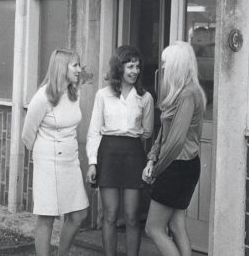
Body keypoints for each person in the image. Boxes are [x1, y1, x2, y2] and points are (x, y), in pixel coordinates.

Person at [85, 45, 154, 256]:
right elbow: (94, 131)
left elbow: (147, 132)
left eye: (137, 66)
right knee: (110, 215)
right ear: (119, 67)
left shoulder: (145, 98)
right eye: (130, 66)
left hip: (133, 154)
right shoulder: (103, 95)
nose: (135, 71)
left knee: (132, 216)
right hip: (108, 154)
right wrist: (92, 162)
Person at [22, 49, 90, 256]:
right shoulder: (42, 97)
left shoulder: (73, 93)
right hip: (48, 164)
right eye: (75, 65)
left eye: (79, 65)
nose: (79, 69)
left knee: (79, 213)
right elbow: (27, 135)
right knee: (46, 217)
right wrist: (44, 156)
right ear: (62, 68)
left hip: (70, 163)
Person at [142, 41, 206, 256]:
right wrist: (152, 158)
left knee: (153, 229)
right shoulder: (181, 93)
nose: (164, 67)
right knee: (176, 226)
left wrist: (157, 170)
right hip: (180, 165)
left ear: (178, 64)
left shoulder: (188, 95)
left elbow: (176, 141)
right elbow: (165, 133)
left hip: (177, 167)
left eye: (167, 62)